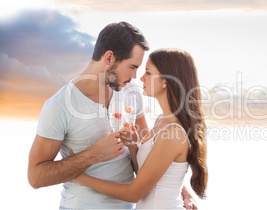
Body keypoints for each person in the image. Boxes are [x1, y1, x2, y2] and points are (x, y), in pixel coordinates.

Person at [27, 21, 150, 209]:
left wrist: (177, 186)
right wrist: (93, 155)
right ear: (109, 58)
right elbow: (35, 177)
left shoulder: (131, 90)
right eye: (132, 67)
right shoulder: (60, 105)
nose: (135, 76)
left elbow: (148, 153)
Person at [74, 48, 208, 209]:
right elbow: (145, 176)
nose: (141, 78)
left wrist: (79, 177)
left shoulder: (174, 133)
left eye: (148, 73)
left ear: (166, 80)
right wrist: (132, 145)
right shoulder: (162, 120)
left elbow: (135, 193)